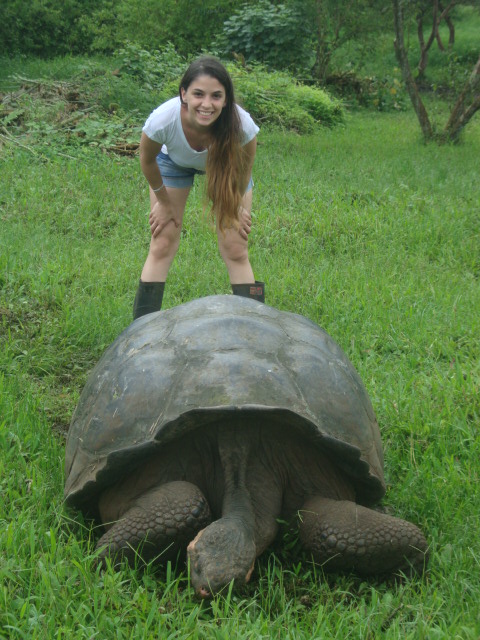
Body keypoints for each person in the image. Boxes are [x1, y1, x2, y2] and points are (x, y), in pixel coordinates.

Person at [133, 56, 264, 319]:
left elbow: (245, 167)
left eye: (216, 96)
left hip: (225, 165)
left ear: (226, 99)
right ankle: (141, 330)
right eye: (198, 94)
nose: (207, 104)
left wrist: (237, 204)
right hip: (173, 163)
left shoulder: (242, 125)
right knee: (163, 240)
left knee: (235, 244)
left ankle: (255, 328)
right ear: (184, 94)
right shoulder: (162, 119)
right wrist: (164, 203)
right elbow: (147, 160)